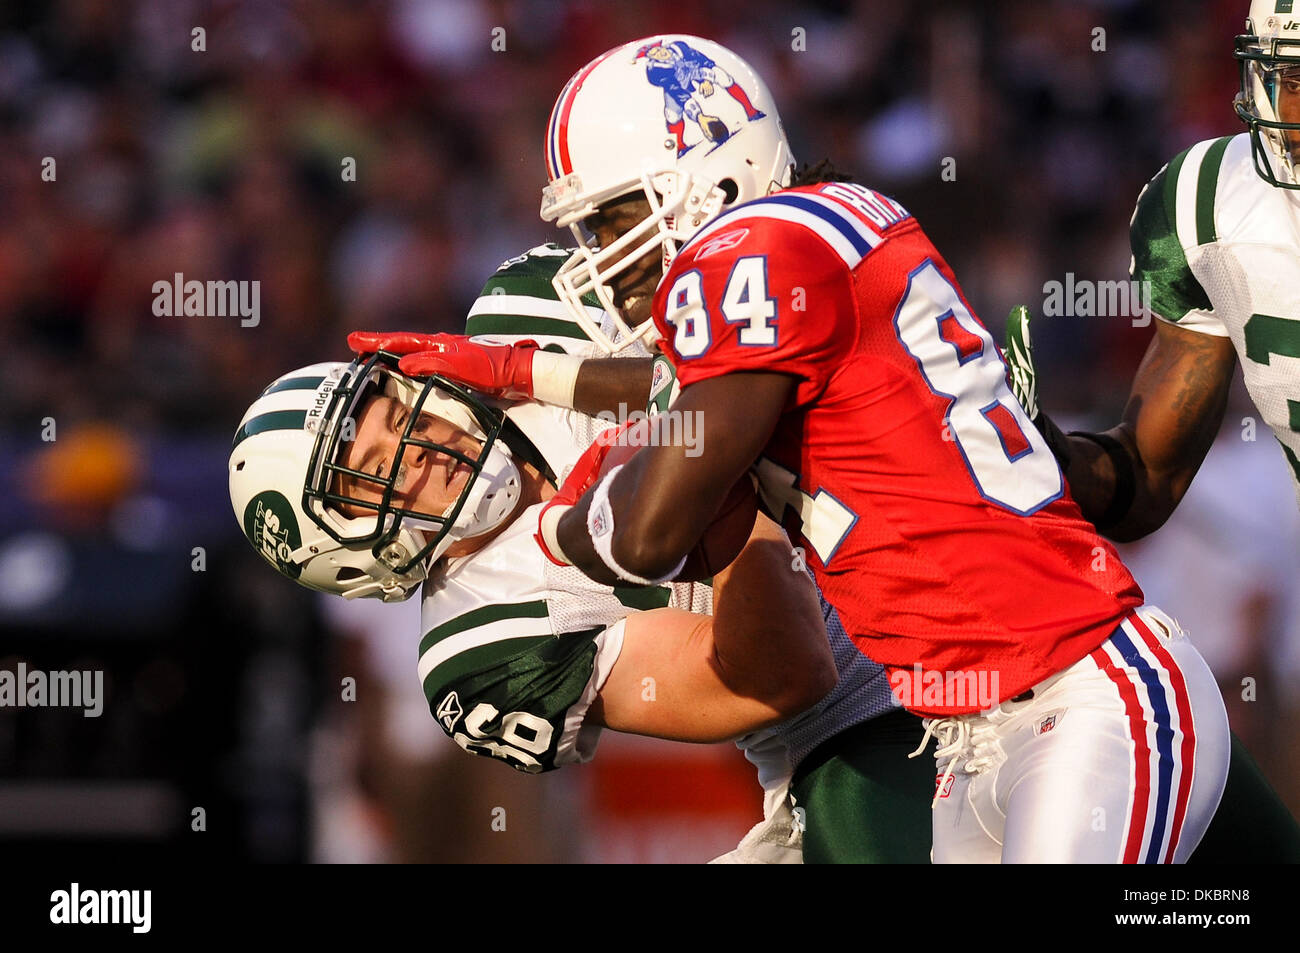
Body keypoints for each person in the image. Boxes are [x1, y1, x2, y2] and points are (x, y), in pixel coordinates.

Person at [503, 34, 1228, 863]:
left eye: (612, 214)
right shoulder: (812, 235)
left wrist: (562, 519)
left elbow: (648, 534)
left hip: (1085, 691)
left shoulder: (756, 250)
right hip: (968, 740)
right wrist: (525, 373)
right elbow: (685, 400)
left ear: (703, 170)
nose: (601, 254)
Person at [231, 247, 934, 863]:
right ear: (350, 554)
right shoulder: (479, 647)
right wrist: (712, 490)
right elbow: (786, 676)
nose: (418, 447)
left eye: (392, 410)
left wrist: (542, 375)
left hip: (925, 497)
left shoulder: (522, 311)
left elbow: (772, 310)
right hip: (873, 702)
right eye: (373, 472)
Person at [998, 0, 1300, 861]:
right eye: (1285, 80)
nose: (1289, 113)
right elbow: (1147, 479)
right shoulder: (1212, 203)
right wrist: (1041, 453)